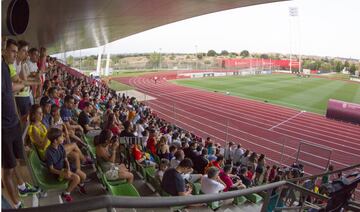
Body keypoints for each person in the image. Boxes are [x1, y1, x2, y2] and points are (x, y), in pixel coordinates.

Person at [2, 39, 38, 209]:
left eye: (17, 52)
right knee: (7, 170)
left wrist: (17, 116)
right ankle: (16, 205)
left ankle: (22, 188)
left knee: (16, 160)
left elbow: (10, 94)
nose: (15, 55)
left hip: (13, 122)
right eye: (13, 51)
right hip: (4, 128)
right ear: (4, 50)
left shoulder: (5, 67)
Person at [45, 128, 87, 202]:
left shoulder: (60, 146)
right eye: (61, 137)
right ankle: (66, 193)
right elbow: (51, 169)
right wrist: (62, 172)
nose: (63, 137)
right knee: (77, 178)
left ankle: (79, 185)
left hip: (65, 167)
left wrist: (68, 169)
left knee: (84, 176)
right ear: (55, 140)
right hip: (57, 172)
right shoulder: (49, 153)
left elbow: (66, 159)